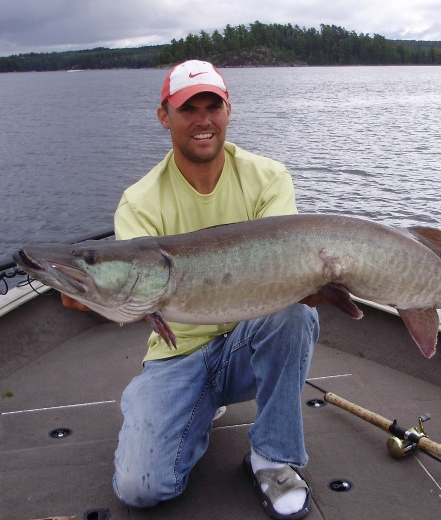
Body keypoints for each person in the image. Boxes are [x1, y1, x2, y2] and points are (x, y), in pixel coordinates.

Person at [66, 60, 319, 520]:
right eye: (188, 109)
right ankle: (173, 404)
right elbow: (130, 292)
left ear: (228, 111)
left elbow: (282, 270)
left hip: (250, 342)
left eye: (212, 107)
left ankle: (272, 458)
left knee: (294, 315)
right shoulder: (140, 202)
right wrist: (85, 289)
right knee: (140, 489)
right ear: (165, 116)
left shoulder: (268, 178)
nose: (202, 120)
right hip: (177, 352)